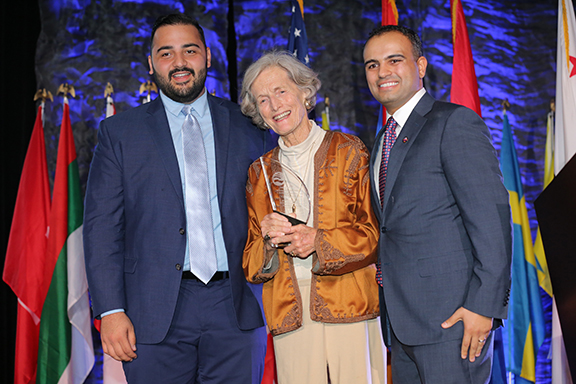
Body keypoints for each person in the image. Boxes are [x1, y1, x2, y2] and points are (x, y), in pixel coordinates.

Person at [83, 13, 272, 383]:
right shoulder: (119, 133)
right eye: (166, 53)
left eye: (190, 50)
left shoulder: (250, 124)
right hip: (151, 312)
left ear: (207, 57)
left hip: (236, 306)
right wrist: (110, 310)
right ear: (151, 63)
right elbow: (103, 229)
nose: (180, 62)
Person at [363, 25, 512, 384]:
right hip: (402, 327)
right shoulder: (383, 139)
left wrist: (484, 307)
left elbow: (491, 222)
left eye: (394, 60)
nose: (382, 72)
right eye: (371, 64)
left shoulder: (453, 123)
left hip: (454, 324)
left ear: (422, 65)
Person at [240, 51, 386, 384]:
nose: (274, 105)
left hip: (350, 304)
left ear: (305, 93)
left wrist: (317, 241)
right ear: (257, 112)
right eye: (263, 99)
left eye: (280, 91)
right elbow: (250, 265)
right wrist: (265, 240)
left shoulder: (349, 150)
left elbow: (374, 235)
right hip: (289, 313)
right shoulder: (258, 173)